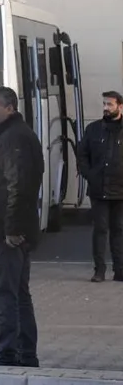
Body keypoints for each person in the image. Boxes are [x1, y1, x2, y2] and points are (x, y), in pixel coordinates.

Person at [0, 86, 42, 367]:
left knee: (5, 292)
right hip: (10, 227)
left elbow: (19, 185)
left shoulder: (13, 138)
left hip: (8, 231)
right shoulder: (11, 135)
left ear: (10, 108)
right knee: (17, 292)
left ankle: (8, 352)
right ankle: (24, 352)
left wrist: (12, 227)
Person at [77, 90, 123, 283]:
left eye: (109, 104)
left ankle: (120, 271)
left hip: (121, 191)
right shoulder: (93, 129)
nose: (105, 108)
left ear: (120, 107)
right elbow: (82, 154)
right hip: (98, 189)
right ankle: (99, 271)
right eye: (104, 104)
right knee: (100, 230)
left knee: (119, 230)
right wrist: (89, 175)